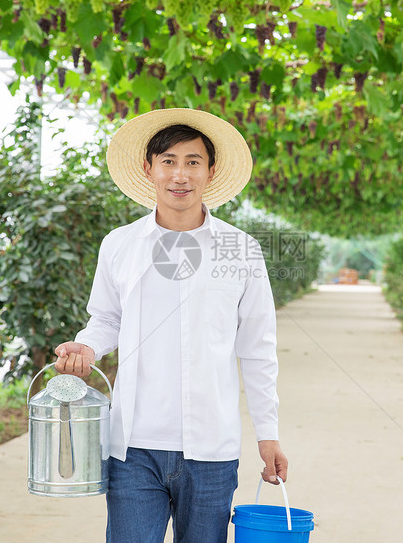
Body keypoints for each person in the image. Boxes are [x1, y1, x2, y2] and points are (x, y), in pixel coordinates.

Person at [53, 108, 287, 542]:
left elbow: (257, 348)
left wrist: (267, 434)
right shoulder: (121, 245)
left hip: (212, 447)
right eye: (169, 161)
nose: (180, 174)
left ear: (210, 171)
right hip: (134, 446)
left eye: (193, 162)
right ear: (150, 169)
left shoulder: (241, 250)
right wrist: (85, 346)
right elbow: (106, 319)